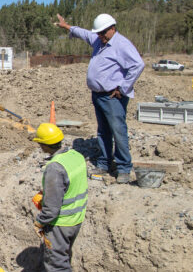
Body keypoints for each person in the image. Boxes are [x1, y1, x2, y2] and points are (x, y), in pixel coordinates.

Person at [54, 13, 144, 183]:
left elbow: (138, 65)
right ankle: (104, 163)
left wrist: (123, 88)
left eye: (103, 33)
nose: (100, 36)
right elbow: (85, 33)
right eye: (99, 33)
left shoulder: (121, 44)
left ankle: (124, 167)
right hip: (98, 95)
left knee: (118, 130)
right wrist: (67, 27)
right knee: (103, 131)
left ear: (112, 28)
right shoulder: (98, 40)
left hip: (112, 96)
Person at [32, 123, 88, 272]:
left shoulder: (54, 168)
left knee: (56, 257)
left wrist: (40, 221)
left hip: (60, 222)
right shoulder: (75, 156)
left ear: (44, 145)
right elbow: (71, 185)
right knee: (62, 252)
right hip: (76, 217)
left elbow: (51, 209)